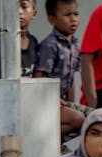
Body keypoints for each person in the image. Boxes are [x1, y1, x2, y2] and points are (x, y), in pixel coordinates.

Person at [34, 0, 86, 138]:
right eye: (67, 15)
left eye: (76, 14)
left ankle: (56, 141)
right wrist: (52, 99)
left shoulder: (74, 45)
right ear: (52, 20)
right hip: (46, 103)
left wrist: (71, 104)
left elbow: (71, 79)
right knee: (78, 119)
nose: (73, 19)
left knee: (96, 118)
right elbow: (39, 78)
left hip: (63, 102)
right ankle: (45, 140)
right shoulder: (49, 45)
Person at [0, 0, 39, 79]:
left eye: (24, 7)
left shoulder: (34, 42)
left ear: (34, 14)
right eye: (15, 8)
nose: (19, 11)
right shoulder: (0, 42)